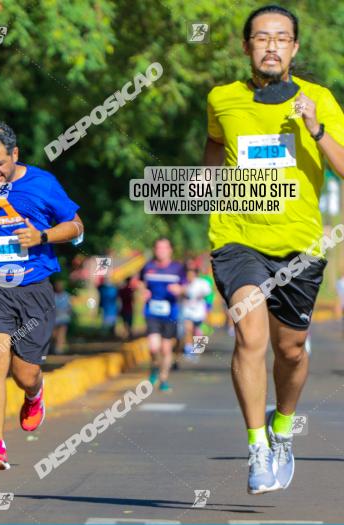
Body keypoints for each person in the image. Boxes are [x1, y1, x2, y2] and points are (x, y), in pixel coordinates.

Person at [202, 5, 344, 494]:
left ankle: (282, 428)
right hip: (238, 238)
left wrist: (316, 128)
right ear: (247, 47)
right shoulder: (222, 98)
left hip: (300, 246)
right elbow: (214, 146)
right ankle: (257, 446)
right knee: (249, 335)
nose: (271, 47)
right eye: (262, 38)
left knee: (292, 350)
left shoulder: (320, 99)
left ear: (295, 48)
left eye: (282, 39)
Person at [0, 121, 84, 470]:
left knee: (23, 373)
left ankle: (34, 393)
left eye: (0, 163)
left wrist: (42, 237)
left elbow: (77, 227)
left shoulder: (42, 183)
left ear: (15, 154)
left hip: (34, 288)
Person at [136, 237, 186, 393]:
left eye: (164, 248)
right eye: (158, 248)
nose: (161, 251)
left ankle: (163, 379)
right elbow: (139, 283)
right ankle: (154, 368)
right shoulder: (148, 266)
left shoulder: (177, 268)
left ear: (170, 250)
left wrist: (180, 290)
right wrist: (143, 291)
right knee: (153, 347)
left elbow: (185, 287)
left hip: (170, 313)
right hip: (152, 311)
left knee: (165, 349)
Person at [182, 266, 212, 358]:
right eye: (188, 275)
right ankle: (188, 349)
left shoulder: (201, 283)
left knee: (198, 330)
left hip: (199, 311)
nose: (189, 276)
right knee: (188, 329)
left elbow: (208, 293)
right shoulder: (184, 283)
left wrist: (200, 295)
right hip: (187, 310)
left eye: (191, 274)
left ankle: (198, 349)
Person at [52, 280, 72, 354]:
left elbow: (69, 307)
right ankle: (60, 345)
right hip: (54, 318)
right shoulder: (53, 295)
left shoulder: (66, 295)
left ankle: (59, 348)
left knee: (61, 333)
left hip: (64, 318)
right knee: (54, 334)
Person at [118, 275, 136, 340]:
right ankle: (129, 334)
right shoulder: (130, 290)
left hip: (124, 308)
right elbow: (133, 299)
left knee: (125, 322)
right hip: (128, 309)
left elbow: (119, 298)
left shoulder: (122, 290)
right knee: (129, 323)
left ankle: (127, 334)